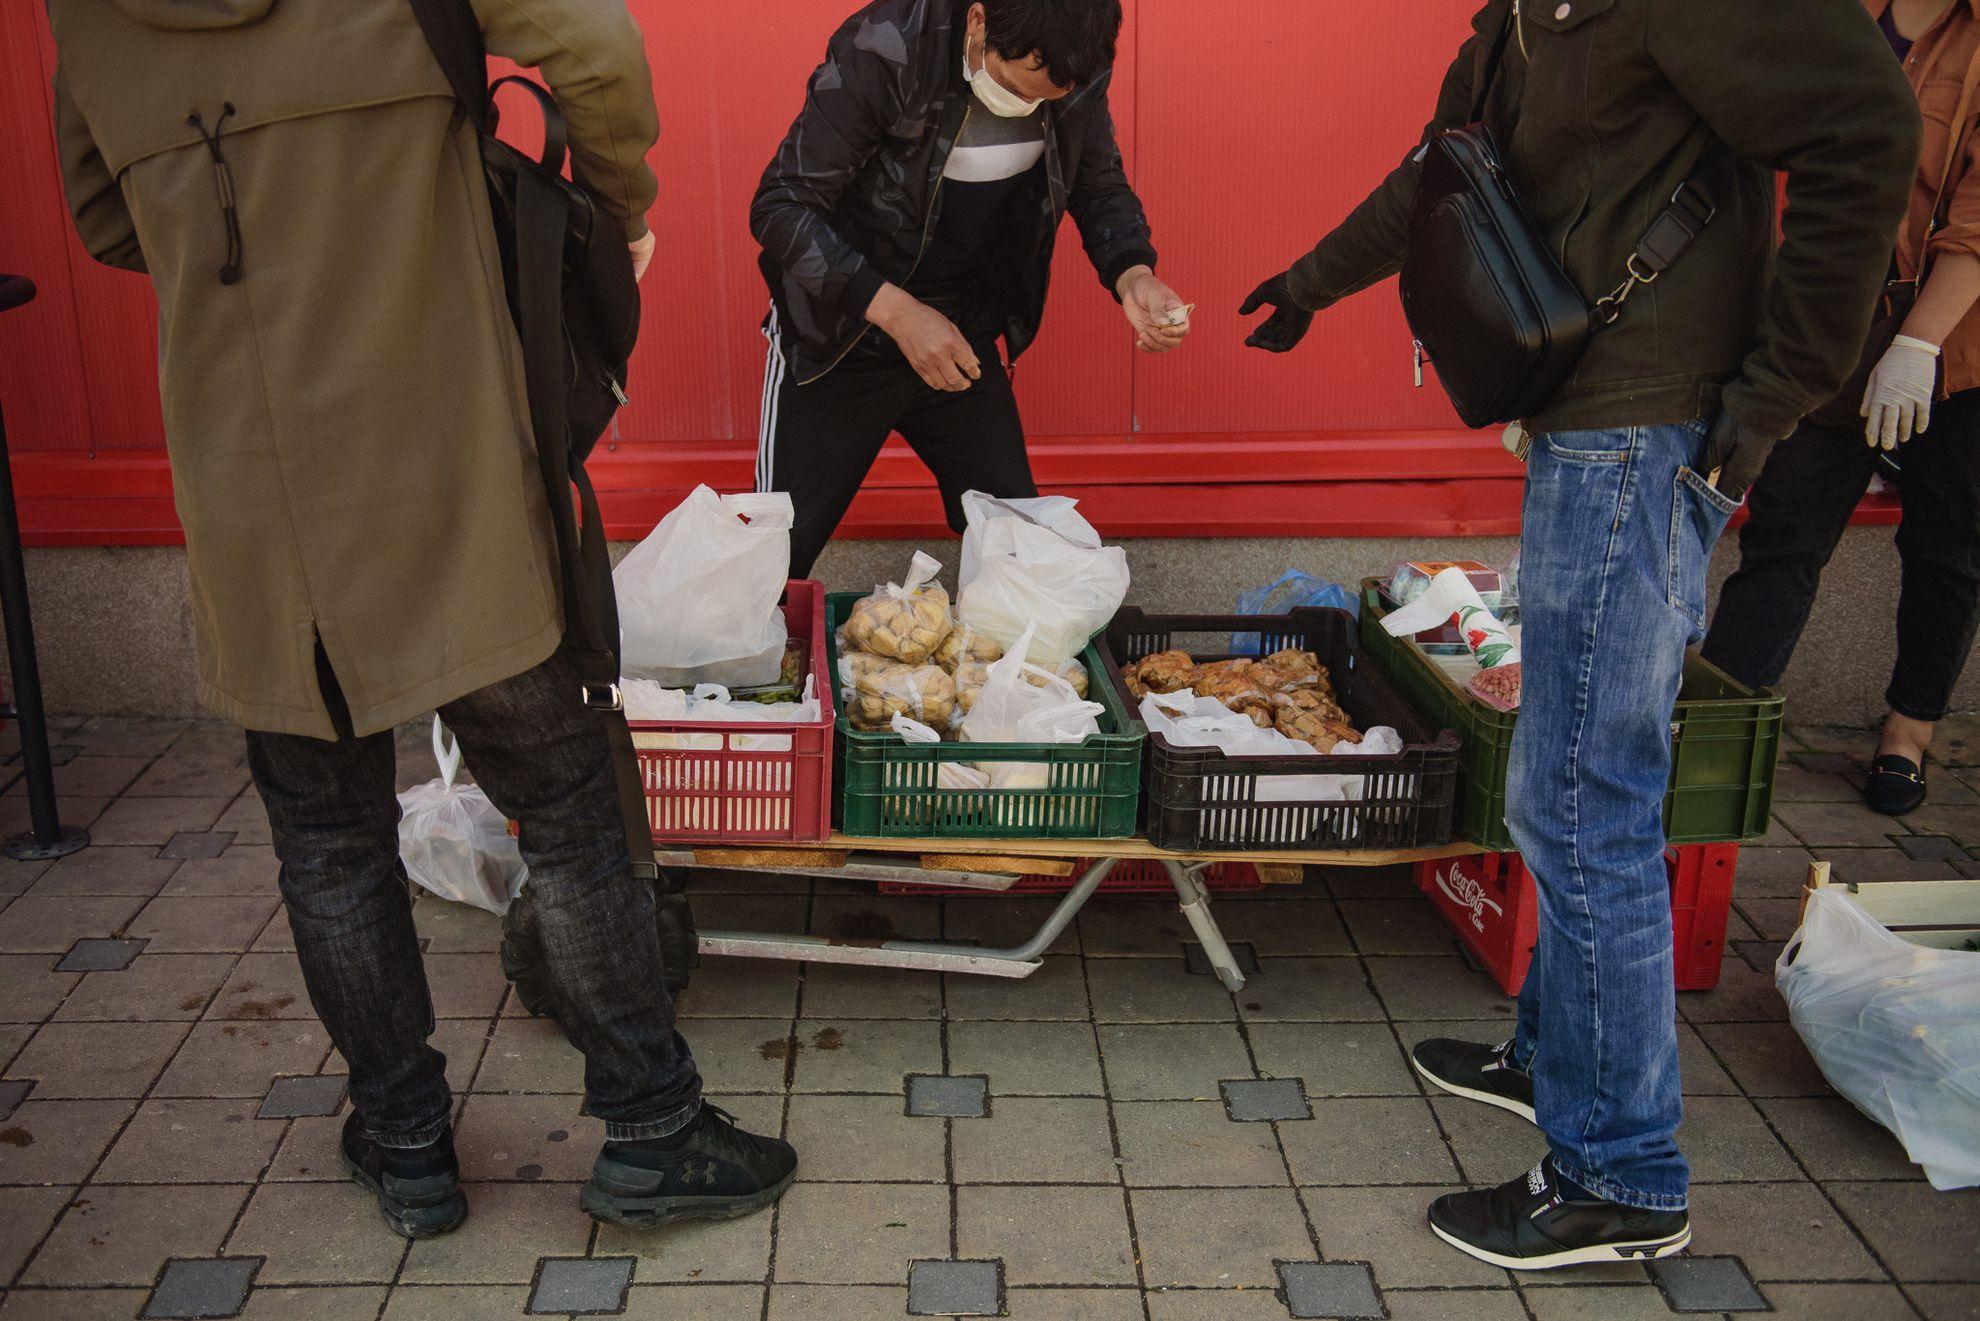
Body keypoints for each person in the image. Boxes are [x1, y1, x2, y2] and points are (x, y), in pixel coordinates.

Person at [45, 0, 795, 1238]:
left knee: (326, 833)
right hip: (440, 452)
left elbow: (104, 215)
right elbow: (596, 51)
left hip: (251, 488)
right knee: (567, 800)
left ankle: (405, 1143)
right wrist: (613, 203)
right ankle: (654, 1130)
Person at [1242, 0, 1917, 1269]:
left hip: (1649, 433)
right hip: (1586, 425)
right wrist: (1311, 283)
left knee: (1579, 795)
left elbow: (1865, 129)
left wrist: (1778, 391)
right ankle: (1556, 1049)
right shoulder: (1522, 20)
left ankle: (1621, 1173)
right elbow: (1440, 169)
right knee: (1576, 778)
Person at [751, 0, 1191, 578]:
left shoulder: (1074, 51)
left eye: (1047, 97)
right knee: (771, 561)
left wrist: (1133, 272)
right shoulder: (887, 48)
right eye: (1017, 85)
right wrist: (900, 314)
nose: (1029, 106)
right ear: (979, 22)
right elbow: (782, 206)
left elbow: (1097, 182)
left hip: (963, 326)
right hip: (841, 333)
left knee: (1019, 549)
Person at [1705, 0, 1980, 817]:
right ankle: (1714, 731)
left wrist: (1920, 344)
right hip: (1826, 329)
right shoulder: (1843, 16)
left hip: (1957, 348)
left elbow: (1976, 224)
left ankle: (1907, 734)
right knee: (1785, 530)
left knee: (1948, 548)